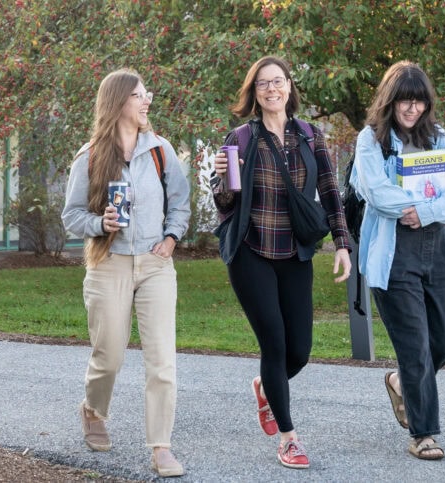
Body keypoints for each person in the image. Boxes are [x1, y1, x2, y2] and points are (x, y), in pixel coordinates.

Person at [212, 56, 351, 469]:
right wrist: (222, 178)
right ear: (253, 94)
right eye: (262, 84)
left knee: (301, 351)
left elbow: (330, 191)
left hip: (295, 252)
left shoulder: (311, 136)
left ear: (290, 86)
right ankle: (289, 439)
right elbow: (224, 203)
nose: (271, 89)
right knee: (273, 342)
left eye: (278, 81)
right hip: (251, 251)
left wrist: (342, 243)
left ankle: (264, 387)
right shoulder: (239, 137)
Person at [62, 68, 190, 477]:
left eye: (146, 94)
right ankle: (93, 410)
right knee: (110, 355)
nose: (146, 100)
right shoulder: (91, 156)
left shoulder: (160, 150)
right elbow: (71, 216)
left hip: (155, 265)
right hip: (108, 264)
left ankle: (161, 446)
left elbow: (180, 202)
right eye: (138, 95)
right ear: (119, 102)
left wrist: (171, 238)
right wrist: (102, 224)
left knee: (161, 360)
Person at [350, 60, 445, 460]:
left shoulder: (440, 139)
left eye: (418, 102)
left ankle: (402, 384)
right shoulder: (371, 140)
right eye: (404, 101)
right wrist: (419, 207)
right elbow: (376, 189)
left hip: (438, 248)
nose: (411, 109)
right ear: (390, 101)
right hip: (394, 252)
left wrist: (427, 212)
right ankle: (424, 434)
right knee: (416, 346)